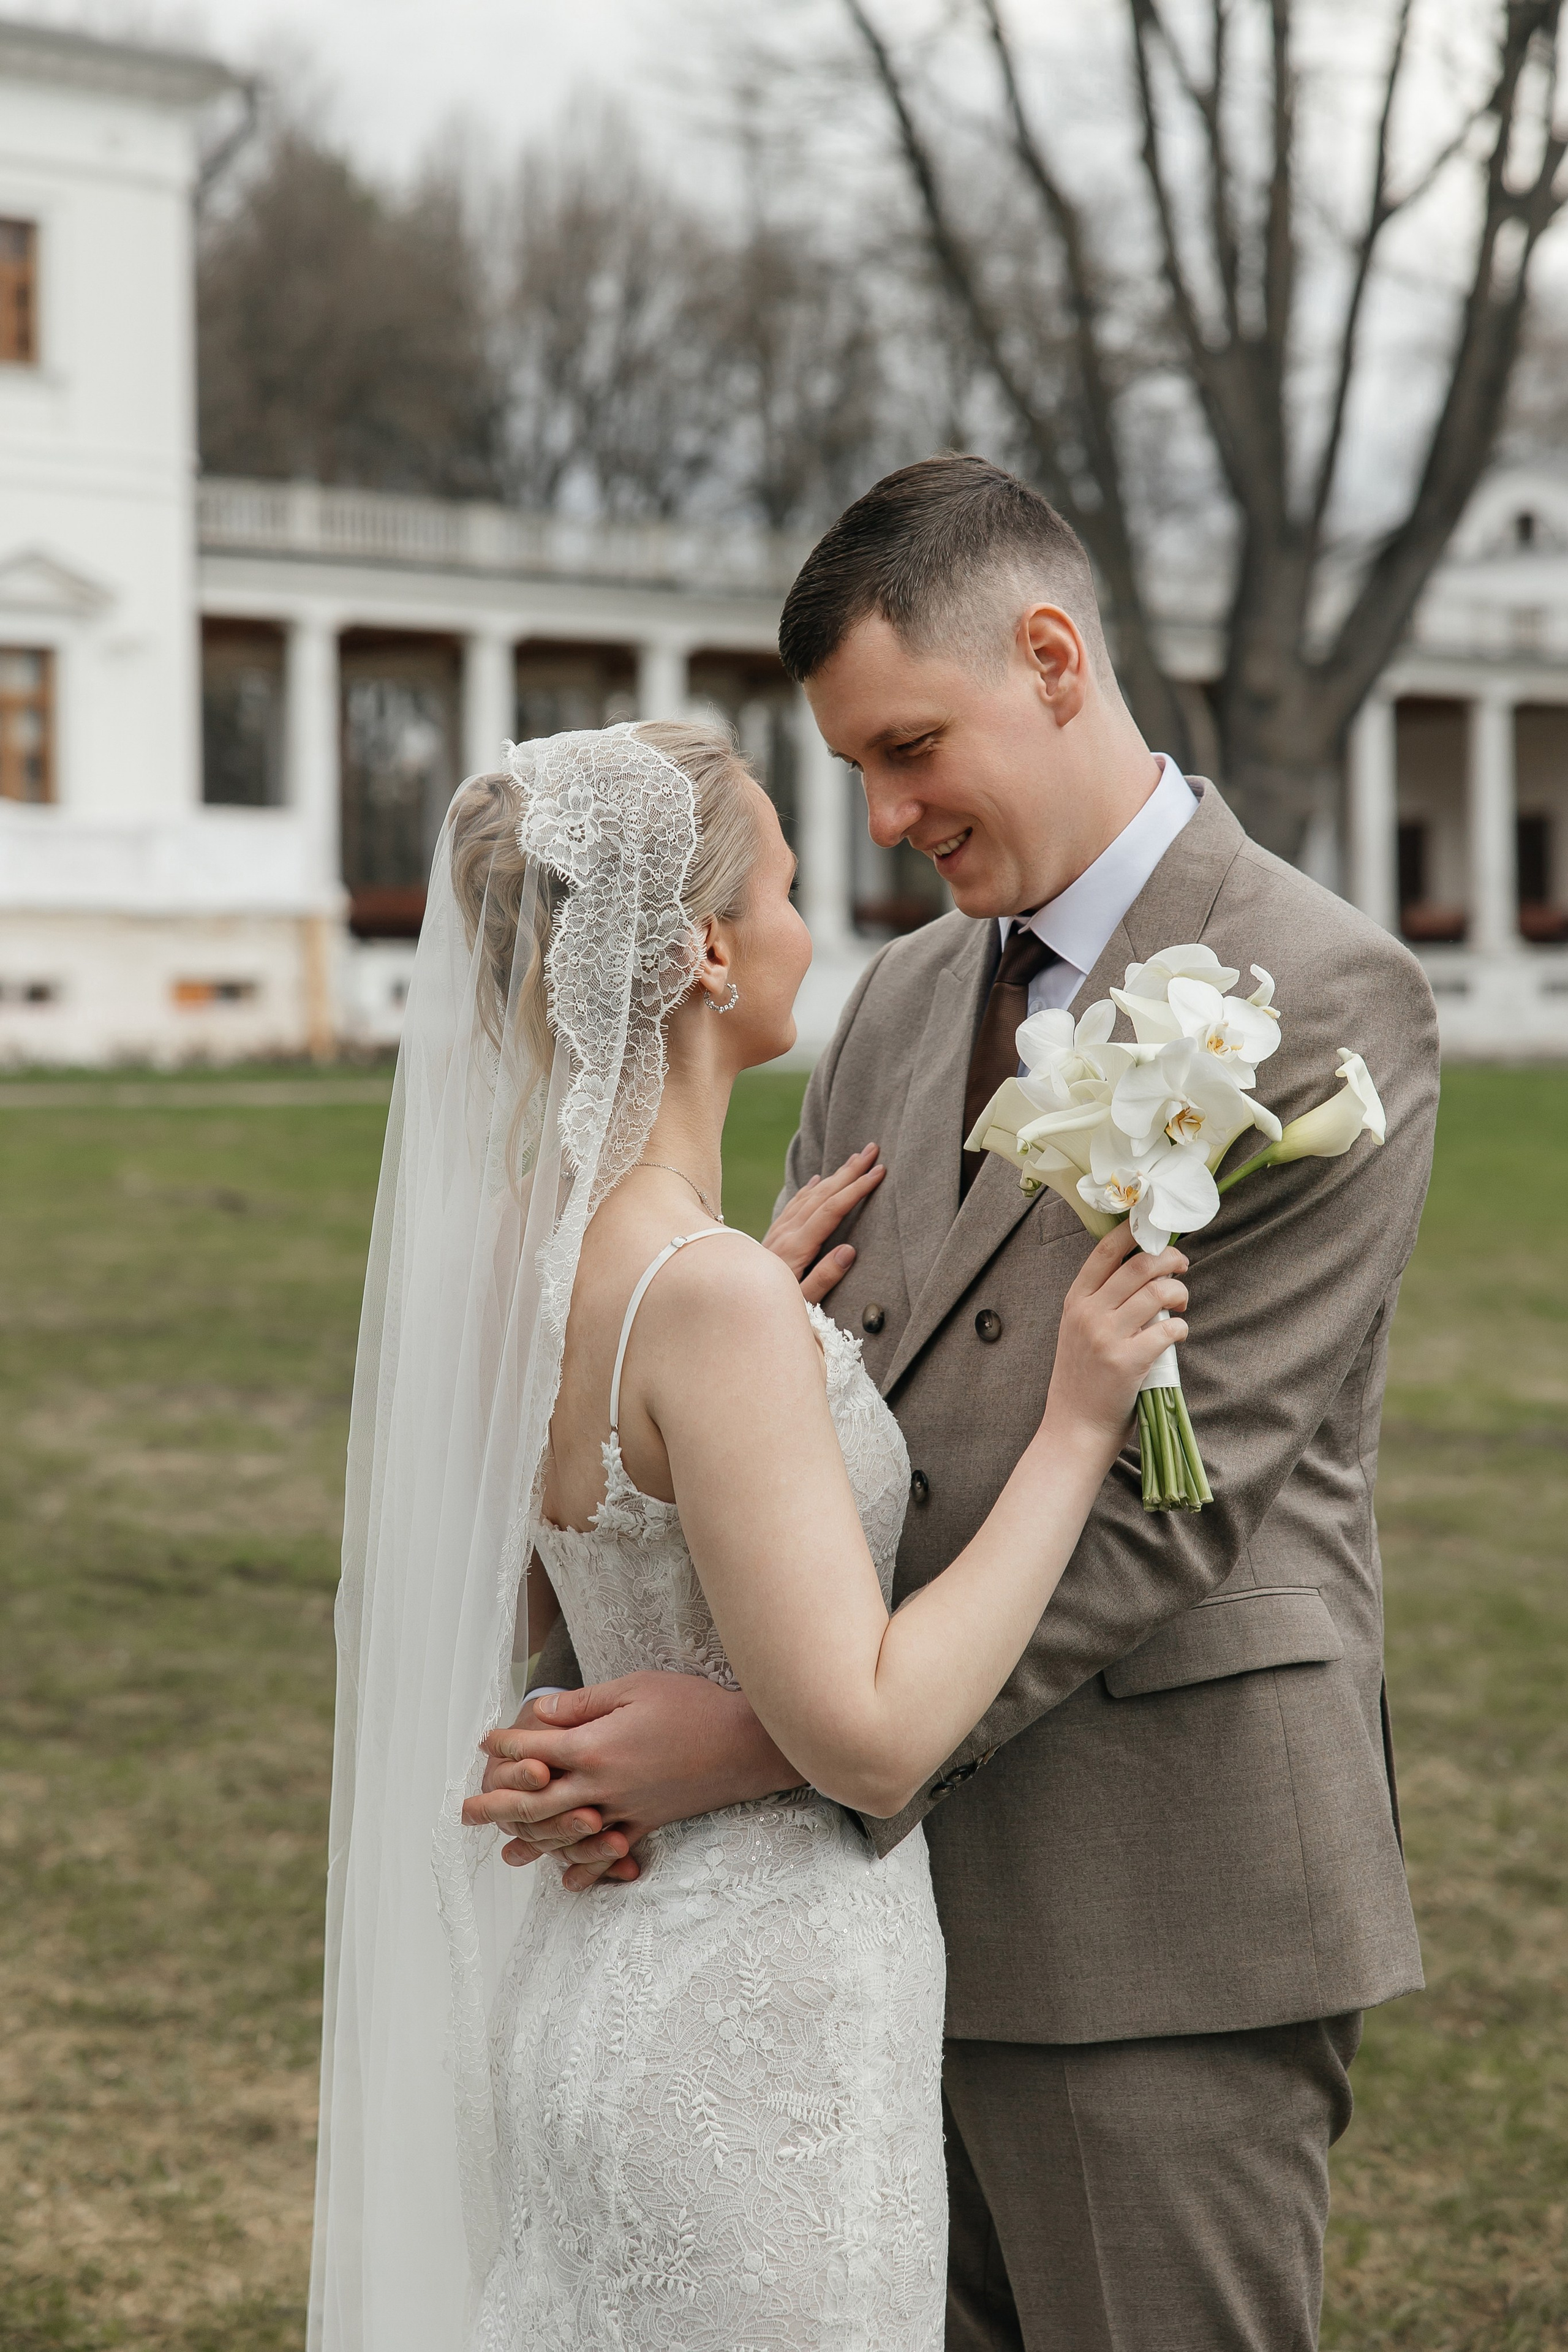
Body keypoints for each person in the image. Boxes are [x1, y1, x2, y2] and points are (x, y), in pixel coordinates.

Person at [481, 458, 1439, 2351]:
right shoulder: (898, 1005)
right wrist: (587, 1722)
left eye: (911, 748)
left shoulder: (1325, 996)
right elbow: (749, 1405)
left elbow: (1178, 1503)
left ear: (1053, 659)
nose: (885, 816)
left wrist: (755, 1743)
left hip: (1149, 1905)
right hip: (838, 1949)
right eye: (852, 767)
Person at [309, 711, 1189, 2352]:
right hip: (760, 2024)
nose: (809, 924)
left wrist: (752, 1314)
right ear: (709, 951)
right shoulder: (708, 1298)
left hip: (591, 1976)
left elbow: (519, 1596)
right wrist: (1079, 1423)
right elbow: (871, 1733)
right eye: (783, 889)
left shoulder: (520, 1260)